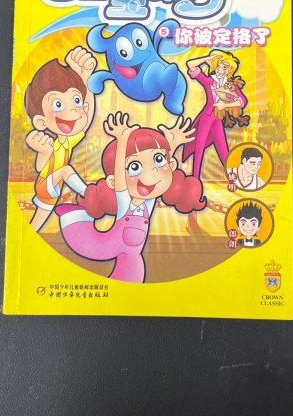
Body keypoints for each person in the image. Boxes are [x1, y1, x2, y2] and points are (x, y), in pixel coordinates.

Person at [56, 113, 206, 283]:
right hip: (89, 242)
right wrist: (122, 140)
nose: (152, 172)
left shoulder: (148, 201)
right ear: (113, 181)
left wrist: (173, 144)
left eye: (158, 160)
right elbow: (120, 173)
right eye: (135, 167)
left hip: (128, 256)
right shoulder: (125, 201)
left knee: (134, 272)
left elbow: (162, 173)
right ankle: (64, 179)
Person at [24, 47, 96, 232]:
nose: (73, 110)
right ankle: (88, 193)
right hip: (45, 184)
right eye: (58, 104)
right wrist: (44, 151)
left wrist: (85, 78)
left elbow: (86, 119)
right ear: (41, 121)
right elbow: (40, 167)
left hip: (52, 188)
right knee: (65, 170)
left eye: (76, 101)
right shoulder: (54, 145)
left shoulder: (67, 142)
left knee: (37, 223)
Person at [182, 50, 247, 178]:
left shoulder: (231, 85)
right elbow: (190, 65)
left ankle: (232, 177)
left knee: (223, 148)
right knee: (199, 147)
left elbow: (242, 101)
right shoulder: (209, 81)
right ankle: (195, 179)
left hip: (218, 117)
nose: (219, 69)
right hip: (207, 116)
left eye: (224, 67)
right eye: (218, 66)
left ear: (229, 70)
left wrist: (225, 105)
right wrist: (206, 59)